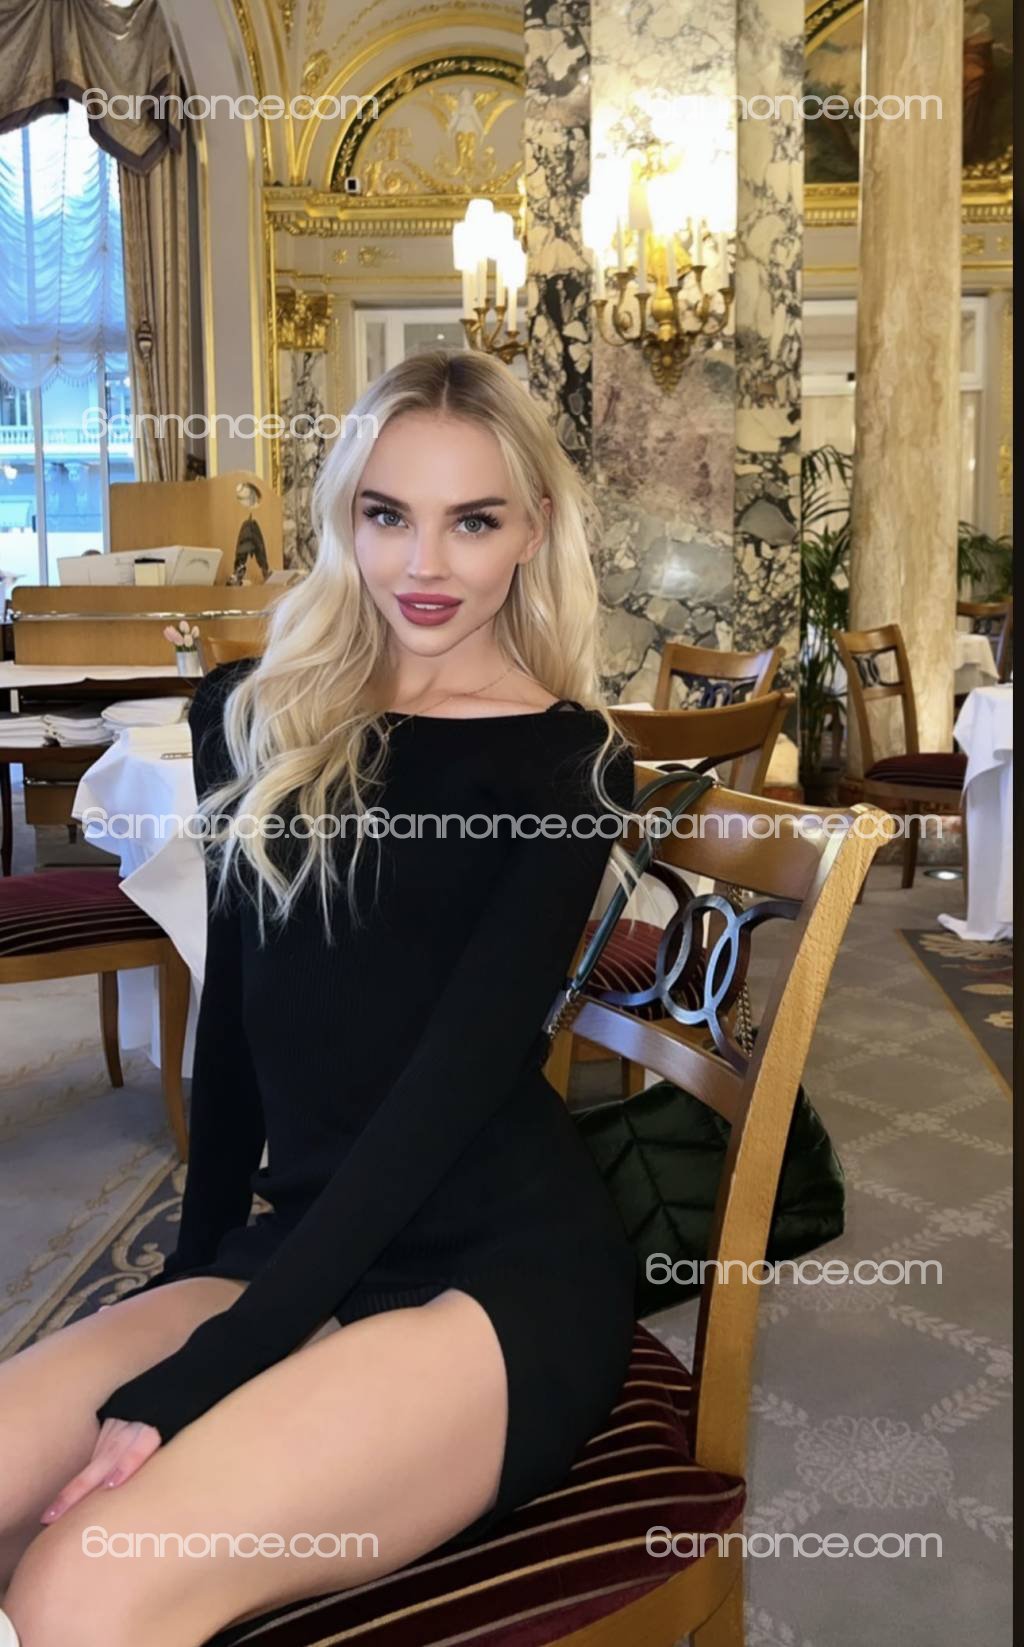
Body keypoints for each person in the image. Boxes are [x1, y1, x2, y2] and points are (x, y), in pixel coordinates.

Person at [0, 350, 640, 1647]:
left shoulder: (566, 763)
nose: (425, 564)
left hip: (495, 1277)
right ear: (346, 516)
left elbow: (448, 1096)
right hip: (301, 1242)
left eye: (473, 521)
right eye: (388, 514)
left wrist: (212, 1370)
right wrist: (191, 1280)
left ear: (534, 531)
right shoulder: (251, 714)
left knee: (80, 1591)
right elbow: (235, 1031)